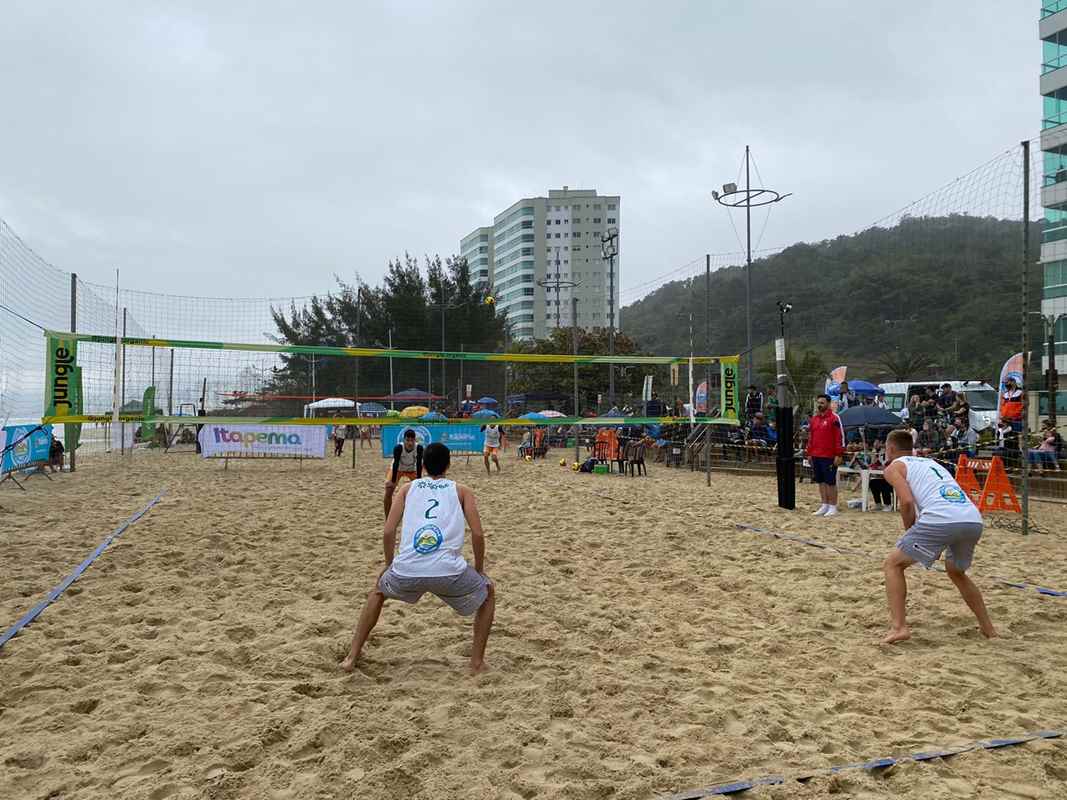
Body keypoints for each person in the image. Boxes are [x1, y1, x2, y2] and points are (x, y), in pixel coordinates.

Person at [341, 442, 495, 674]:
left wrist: (389, 564)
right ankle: (476, 662)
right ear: (449, 465)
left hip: (407, 570)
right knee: (488, 592)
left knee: (378, 591)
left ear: (422, 465)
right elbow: (478, 533)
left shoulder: (407, 489)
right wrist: (480, 569)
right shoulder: (462, 490)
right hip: (449, 572)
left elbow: (388, 530)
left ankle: (352, 657)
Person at [880, 429, 996, 644]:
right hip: (972, 519)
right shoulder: (932, 463)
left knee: (892, 565)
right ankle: (989, 630)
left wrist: (910, 531)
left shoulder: (893, 467)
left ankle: (899, 627)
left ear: (890, 449)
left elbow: (905, 502)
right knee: (957, 572)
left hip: (941, 519)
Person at [806, 394, 846, 517]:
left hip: (829, 456)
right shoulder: (814, 419)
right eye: (818, 402)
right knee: (820, 481)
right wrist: (809, 453)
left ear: (828, 404)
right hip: (816, 455)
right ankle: (824, 505)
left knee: (830, 482)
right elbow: (810, 437)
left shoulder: (834, 418)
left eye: (822, 403)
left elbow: (840, 437)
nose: (819, 405)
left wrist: (839, 454)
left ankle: (833, 506)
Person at [385, 430, 423, 516]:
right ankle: (387, 517)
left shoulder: (419, 448)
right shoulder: (398, 448)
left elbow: (419, 465)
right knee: (389, 490)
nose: (410, 443)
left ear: (415, 440)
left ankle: (418, 515)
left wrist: (419, 480)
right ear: (404, 440)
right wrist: (393, 481)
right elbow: (395, 464)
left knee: (420, 491)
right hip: (398, 469)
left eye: (412, 440)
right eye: (407, 440)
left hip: (412, 470)